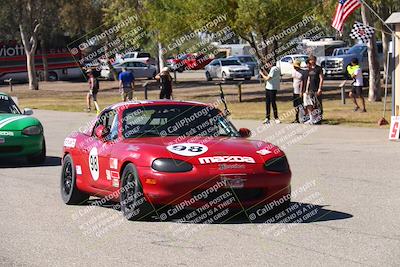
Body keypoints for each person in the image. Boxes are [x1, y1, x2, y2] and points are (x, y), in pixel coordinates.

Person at [306, 55, 324, 124]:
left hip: (317, 89)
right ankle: (313, 118)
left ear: (315, 60)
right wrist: (307, 89)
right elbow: (308, 80)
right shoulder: (310, 69)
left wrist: (320, 88)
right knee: (312, 104)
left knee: (318, 103)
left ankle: (319, 118)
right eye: (310, 60)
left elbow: (321, 79)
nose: (311, 61)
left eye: (313, 60)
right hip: (311, 89)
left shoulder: (319, 68)